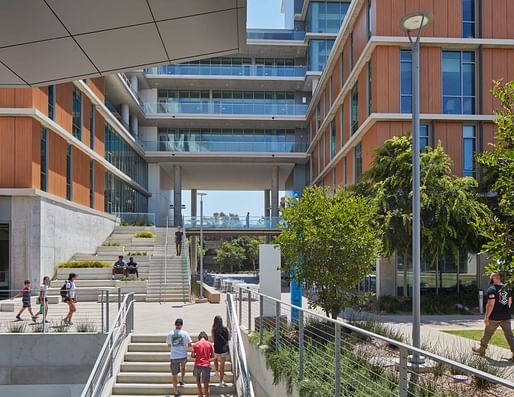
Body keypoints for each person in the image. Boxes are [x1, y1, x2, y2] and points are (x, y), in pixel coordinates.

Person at [473, 272, 514, 359]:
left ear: (495, 277)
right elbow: (510, 302)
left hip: (494, 317)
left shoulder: (491, 290)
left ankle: (481, 349)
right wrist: (504, 310)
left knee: (487, 334)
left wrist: (486, 317)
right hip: (506, 316)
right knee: (509, 336)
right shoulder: (506, 288)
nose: (490, 277)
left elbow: (491, 304)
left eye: (491, 276)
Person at [166, 318, 192, 396]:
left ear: (175, 324)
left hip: (174, 356)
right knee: (183, 368)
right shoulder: (185, 333)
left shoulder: (170, 333)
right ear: (182, 325)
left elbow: (169, 344)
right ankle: (182, 380)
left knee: (174, 375)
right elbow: (190, 344)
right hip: (183, 355)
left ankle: (175, 391)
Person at [191, 331, 215, 397]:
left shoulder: (195, 344)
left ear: (199, 337)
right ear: (206, 337)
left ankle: (200, 393)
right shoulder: (210, 344)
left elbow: (192, 355)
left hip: (197, 364)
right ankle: (206, 394)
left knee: (198, 379)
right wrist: (207, 357)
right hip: (206, 364)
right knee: (206, 381)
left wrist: (197, 356)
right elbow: (213, 356)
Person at [211, 315, 231, 387]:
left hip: (216, 348)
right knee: (222, 366)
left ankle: (216, 371)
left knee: (215, 359)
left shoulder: (213, 330)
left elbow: (213, 339)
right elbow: (229, 338)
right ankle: (221, 382)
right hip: (224, 349)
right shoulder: (226, 329)